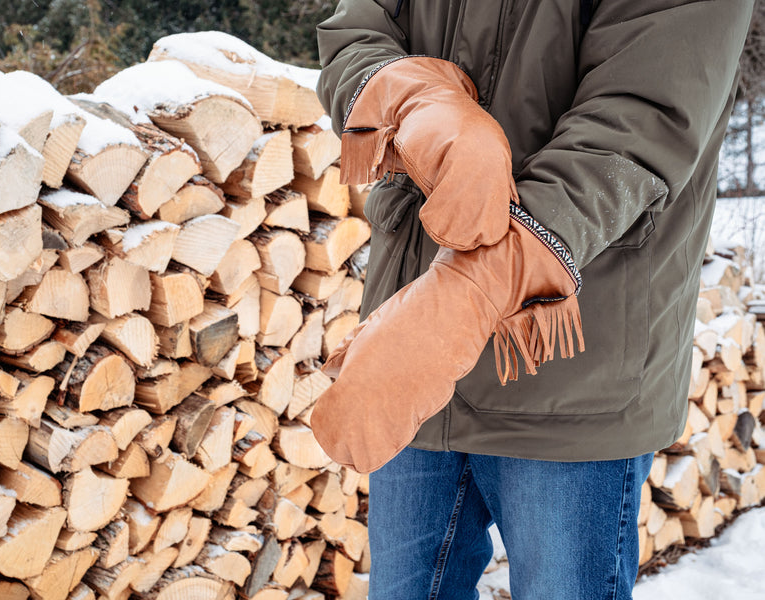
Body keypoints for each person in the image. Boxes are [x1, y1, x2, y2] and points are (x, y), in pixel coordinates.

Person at [310, 1, 756, 599]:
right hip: (414, 354)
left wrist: (463, 298)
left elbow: (639, 123)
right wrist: (411, 98)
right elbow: (357, 29)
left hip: (570, 369)